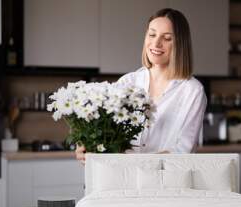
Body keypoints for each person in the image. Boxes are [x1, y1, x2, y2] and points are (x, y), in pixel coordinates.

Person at [76, 8, 206, 163]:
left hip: (165, 182)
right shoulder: (128, 83)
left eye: (167, 38)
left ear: (180, 44)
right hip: (121, 178)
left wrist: (136, 162)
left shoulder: (192, 91)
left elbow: (183, 152)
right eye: (152, 35)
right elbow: (105, 132)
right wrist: (86, 146)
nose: (156, 43)